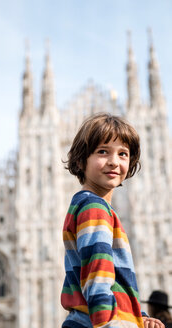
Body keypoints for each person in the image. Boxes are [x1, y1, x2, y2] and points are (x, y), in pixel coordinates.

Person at [61, 113, 164, 328]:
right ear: (80, 161)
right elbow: (97, 278)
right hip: (95, 321)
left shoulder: (93, 206)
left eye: (123, 154)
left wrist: (138, 316)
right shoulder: (93, 208)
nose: (114, 162)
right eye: (102, 152)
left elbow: (115, 280)